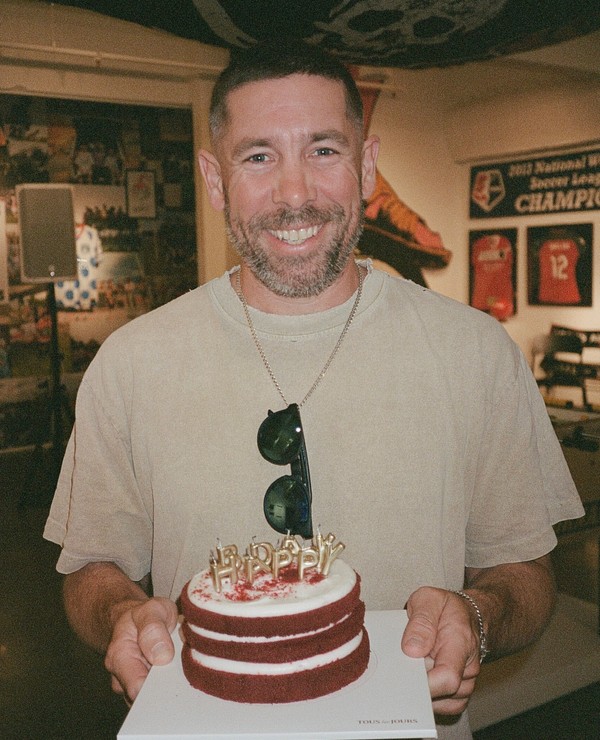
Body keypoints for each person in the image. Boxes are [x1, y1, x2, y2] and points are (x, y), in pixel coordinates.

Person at [44, 41, 583, 738]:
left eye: (324, 150)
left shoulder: (476, 353)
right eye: (258, 156)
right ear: (214, 179)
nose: (294, 194)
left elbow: (527, 569)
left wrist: (478, 617)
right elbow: (92, 567)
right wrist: (121, 615)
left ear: (365, 165)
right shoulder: (129, 364)